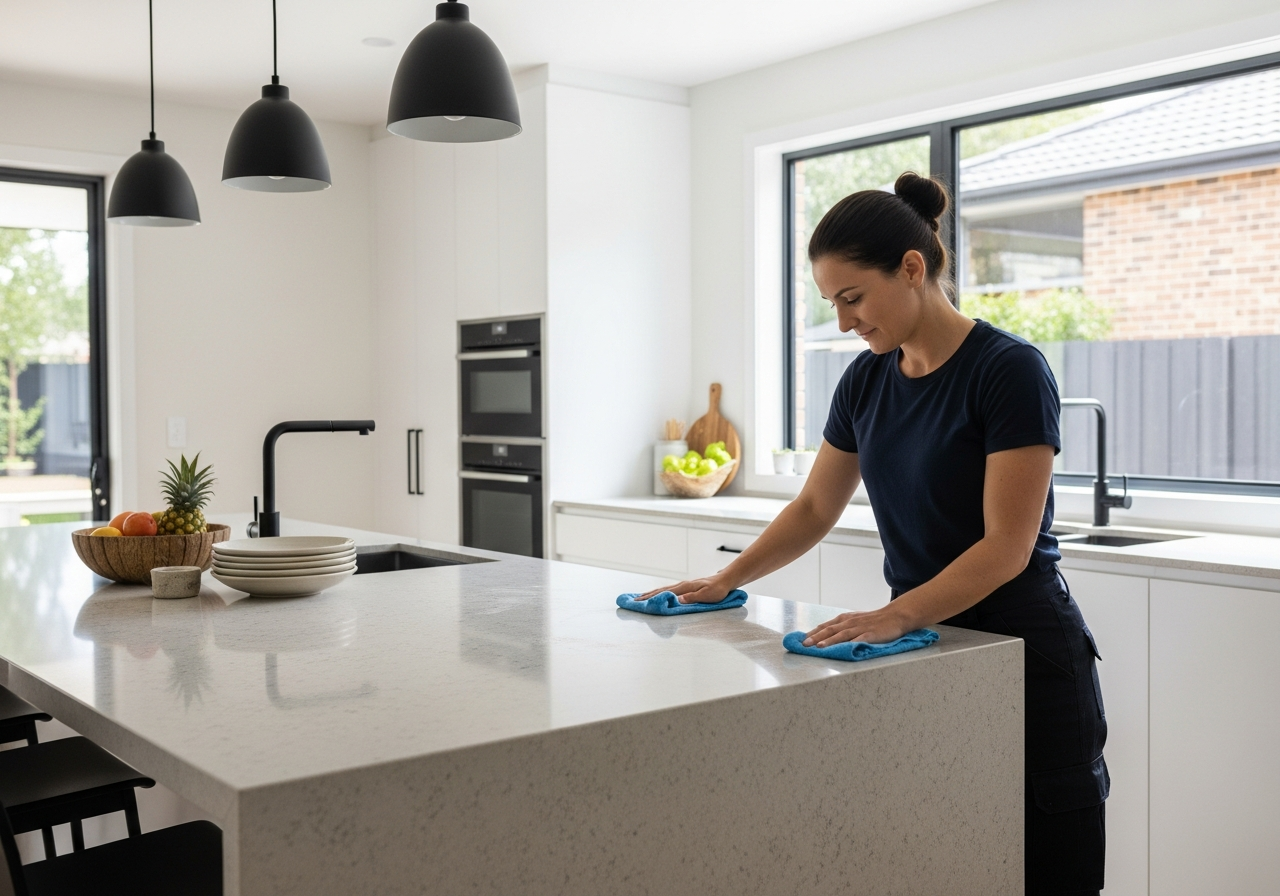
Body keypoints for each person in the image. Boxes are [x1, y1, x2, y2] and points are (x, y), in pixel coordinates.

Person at [643, 172, 1108, 895]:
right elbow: (813, 508)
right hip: (927, 645)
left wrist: (893, 613)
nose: (843, 321)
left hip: (1024, 653)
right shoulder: (865, 383)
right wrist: (726, 579)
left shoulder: (1008, 370)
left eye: (852, 298)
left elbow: (1005, 546)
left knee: (1047, 871)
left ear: (913, 269)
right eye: (831, 303)